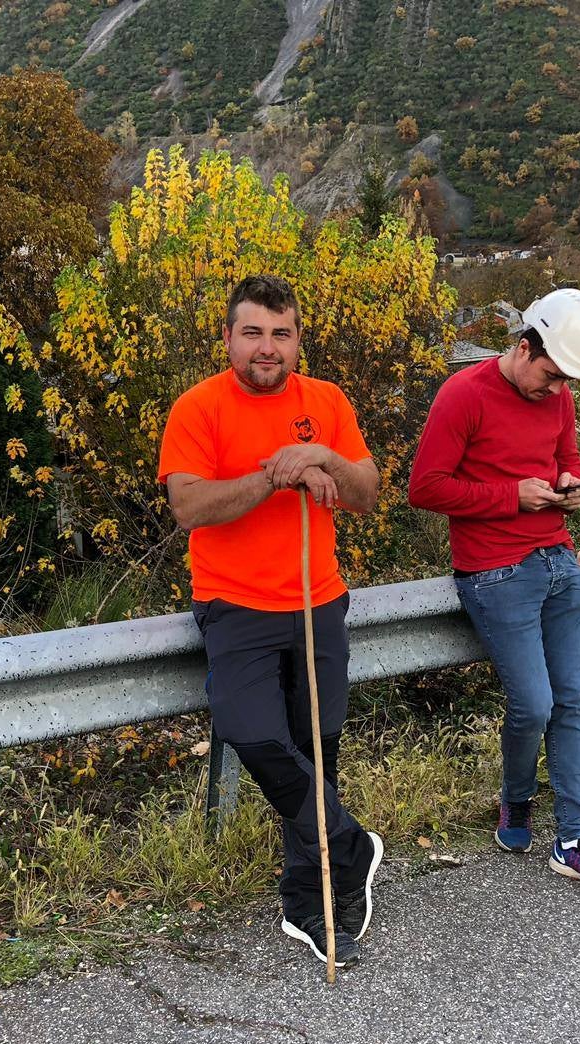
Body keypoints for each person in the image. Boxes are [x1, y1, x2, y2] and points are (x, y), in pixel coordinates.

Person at [157, 274, 385, 966]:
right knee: (254, 734)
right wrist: (273, 476)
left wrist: (321, 456)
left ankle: (309, 906)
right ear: (227, 337)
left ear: (297, 341)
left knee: (315, 755)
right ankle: (350, 845)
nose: (267, 347)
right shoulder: (198, 408)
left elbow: (368, 493)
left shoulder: (327, 401)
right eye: (252, 332)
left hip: (320, 601)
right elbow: (190, 507)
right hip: (236, 607)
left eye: (280, 334)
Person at [409, 288, 580, 899]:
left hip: (557, 564)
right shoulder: (464, 395)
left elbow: (567, 458)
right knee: (534, 705)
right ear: (523, 345)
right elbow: (424, 487)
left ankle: (575, 840)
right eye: (552, 376)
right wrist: (514, 497)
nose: (558, 391)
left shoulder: (556, 397)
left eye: (568, 383)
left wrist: (568, 484)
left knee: (570, 704)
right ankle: (515, 798)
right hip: (493, 572)